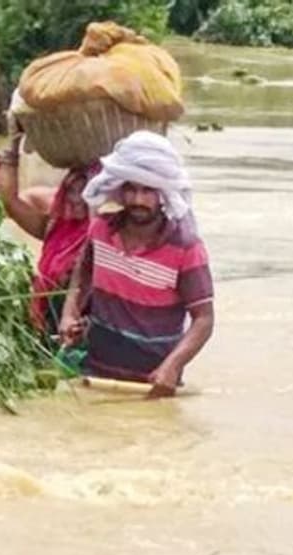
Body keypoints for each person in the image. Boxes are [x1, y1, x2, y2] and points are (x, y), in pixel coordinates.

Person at [59, 131, 215, 398]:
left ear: (163, 194)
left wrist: (172, 366)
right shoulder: (100, 229)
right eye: (131, 189)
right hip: (95, 374)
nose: (138, 200)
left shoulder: (186, 248)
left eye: (148, 191)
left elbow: (204, 319)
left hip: (152, 385)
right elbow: (82, 276)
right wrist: (69, 314)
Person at [0, 133, 103, 335]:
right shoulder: (55, 228)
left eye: (84, 193)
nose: (75, 199)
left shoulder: (108, 237)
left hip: (83, 332)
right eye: (70, 191)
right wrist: (12, 147)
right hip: (46, 327)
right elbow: (10, 202)